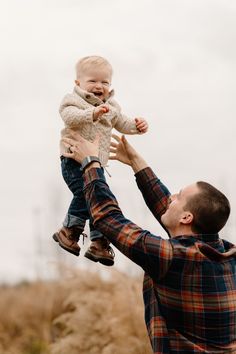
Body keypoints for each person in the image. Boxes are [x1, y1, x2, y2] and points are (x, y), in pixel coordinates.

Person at [61, 131, 236, 353]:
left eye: (178, 196)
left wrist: (90, 163)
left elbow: (107, 218)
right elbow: (169, 210)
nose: (171, 197)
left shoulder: (172, 258)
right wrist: (135, 161)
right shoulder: (228, 256)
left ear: (187, 217)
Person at [53, 55, 148, 266]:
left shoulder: (112, 106)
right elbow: (69, 117)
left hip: (97, 164)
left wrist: (136, 126)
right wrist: (92, 113)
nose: (99, 86)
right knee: (86, 195)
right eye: (93, 81)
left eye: (104, 82)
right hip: (73, 160)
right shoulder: (72, 100)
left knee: (101, 199)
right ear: (78, 83)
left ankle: (99, 243)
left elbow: (122, 123)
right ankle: (69, 231)